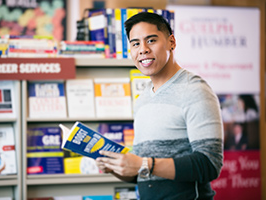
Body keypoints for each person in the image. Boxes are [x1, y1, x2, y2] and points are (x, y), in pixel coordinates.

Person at [96, 12, 223, 200]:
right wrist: (117, 167)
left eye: (151, 40)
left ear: (171, 42)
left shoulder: (195, 90)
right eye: (135, 43)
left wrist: (144, 164)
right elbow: (146, 174)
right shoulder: (143, 99)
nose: (143, 49)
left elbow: (209, 164)